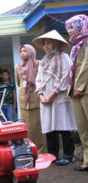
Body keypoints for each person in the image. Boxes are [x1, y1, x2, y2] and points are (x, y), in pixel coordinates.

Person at [33, 30, 77, 166]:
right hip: (45, 97)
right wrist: (40, 95)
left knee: (63, 125)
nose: (46, 46)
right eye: (45, 43)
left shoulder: (64, 57)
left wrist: (53, 94)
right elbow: (38, 79)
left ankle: (69, 155)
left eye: (49, 43)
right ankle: (52, 156)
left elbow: (65, 77)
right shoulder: (43, 61)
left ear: (56, 43)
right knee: (49, 127)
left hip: (59, 96)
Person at [65, 15, 88, 171]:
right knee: (83, 129)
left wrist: (79, 86)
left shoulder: (86, 42)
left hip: (85, 89)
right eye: (68, 28)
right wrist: (73, 88)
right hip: (75, 91)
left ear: (81, 26)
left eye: (72, 27)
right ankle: (87, 160)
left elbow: (87, 65)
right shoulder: (74, 46)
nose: (70, 31)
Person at [15, 44, 46, 153]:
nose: (22, 53)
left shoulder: (38, 64)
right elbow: (19, 83)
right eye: (21, 51)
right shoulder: (18, 67)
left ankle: (41, 151)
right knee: (26, 128)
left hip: (36, 100)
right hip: (24, 101)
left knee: (38, 127)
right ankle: (29, 151)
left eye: (25, 51)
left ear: (31, 52)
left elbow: (42, 80)